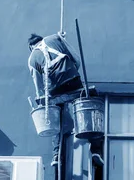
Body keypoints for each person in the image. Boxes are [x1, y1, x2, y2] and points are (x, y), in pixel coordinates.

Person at [28, 33, 104, 167]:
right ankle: (95, 149)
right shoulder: (55, 38)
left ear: (31, 47)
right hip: (72, 79)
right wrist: (73, 72)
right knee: (86, 108)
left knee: (57, 119)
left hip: (55, 89)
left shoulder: (32, 58)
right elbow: (76, 58)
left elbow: (38, 83)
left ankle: (56, 154)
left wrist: (44, 97)